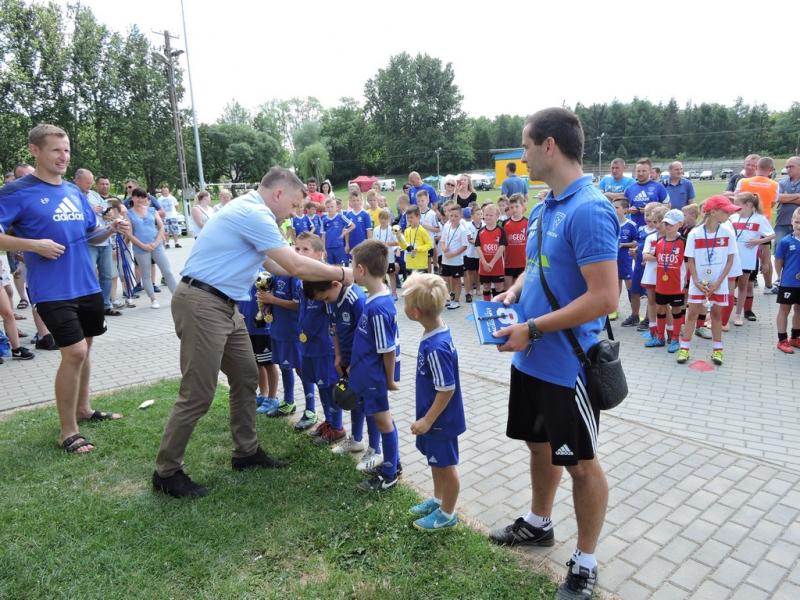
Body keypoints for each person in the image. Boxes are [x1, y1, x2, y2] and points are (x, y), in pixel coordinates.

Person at [152, 166, 355, 498]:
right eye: (293, 205)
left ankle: (246, 452)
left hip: (224, 305)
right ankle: (166, 471)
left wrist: (321, 273)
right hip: (203, 303)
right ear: (278, 193)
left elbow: (278, 265)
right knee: (197, 393)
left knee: (246, 376)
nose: (293, 214)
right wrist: (345, 273)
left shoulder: (252, 212)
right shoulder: (254, 213)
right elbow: (294, 265)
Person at [491, 108, 619, 600]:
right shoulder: (544, 206)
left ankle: (585, 561)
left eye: (525, 146)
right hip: (531, 359)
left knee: (580, 463)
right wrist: (514, 293)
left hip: (568, 366)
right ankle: (539, 522)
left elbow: (605, 297)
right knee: (538, 445)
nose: (522, 156)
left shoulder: (590, 209)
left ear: (549, 146)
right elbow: (537, 266)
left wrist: (533, 328)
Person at [0, 124, 129, 453]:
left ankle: (83, 409)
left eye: (67, 150)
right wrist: (34, 244)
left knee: (87, 347)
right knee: (75, 352)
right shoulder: (16, 192)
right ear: (35, 151)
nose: (63, 156)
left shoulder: (73, 191)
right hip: (52, 290)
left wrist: (111, 229)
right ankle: (67, 431)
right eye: (56, 150)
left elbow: (90, 234)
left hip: (86, 285)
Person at [403, 273, 465, 531]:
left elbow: (447, 389)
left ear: (415, 312)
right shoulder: (433, 332)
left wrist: (428, 420)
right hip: (433, 418)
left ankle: (447, 513)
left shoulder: (437, 347)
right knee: (435, 461)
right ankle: (438, 500)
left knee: (446, 466)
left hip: (440, 421)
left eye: (405, 303)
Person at [302, 274, 382, 466]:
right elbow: (334, 329)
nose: (326, 302)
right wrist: (338, 355)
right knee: (354, 401)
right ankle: (356, 440)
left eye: (326, 298)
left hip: (362, 363)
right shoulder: (332, 299)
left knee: (369, 407)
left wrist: (357, 362)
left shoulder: (356, 299)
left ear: (335, 284)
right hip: (347, 361)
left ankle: (375, 450)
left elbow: (367, 336)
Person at [349, 239, 401, 491]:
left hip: (375, 378)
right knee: (384, 419)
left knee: (383, 422)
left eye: (352, 265)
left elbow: (387, 350)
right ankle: (394, 462)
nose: (350, 269)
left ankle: (389, 472)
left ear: (361, 270)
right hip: (367, 374)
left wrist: (389, 380)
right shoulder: (373, 299)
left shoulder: (379, 307)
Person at [677, 196, 739, 366]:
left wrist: (718, 283)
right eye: (726, 211)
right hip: (698, 283)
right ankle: (684, 348)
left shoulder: (728, 232)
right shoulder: (695, 233)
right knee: (692, 314)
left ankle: (718, 350)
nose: (729, 213)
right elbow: (690, 260)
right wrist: (696, 281)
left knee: (716, 315)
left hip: (719, 283)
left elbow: (730, 261)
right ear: (713, 212)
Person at [295, 233, 342, 440]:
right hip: (308, 343)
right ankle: (329, 421)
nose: (300, 253)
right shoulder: (302, 279)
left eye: (305, 249)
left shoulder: (326, 279)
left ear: (320, 253)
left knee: (330, 386)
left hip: (324, 346)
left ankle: (337, 427)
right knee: (319, 385)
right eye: (297, 249)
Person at [74, 168, 120, 317]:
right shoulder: (72, 195)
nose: (89, 185)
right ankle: (87, 306)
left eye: (91, 182)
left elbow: (105, 210)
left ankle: (106, 304)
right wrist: (90, 210)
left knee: (107, 275)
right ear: (77, 180)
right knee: (88, 274)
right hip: (88, 241)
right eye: (87, 182)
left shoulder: (94, 195)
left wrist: (108, 213)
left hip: (104, 239)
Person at [127, 188, 177, 309]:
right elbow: (129, 234)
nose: (140, 199)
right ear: (132, 198)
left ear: (146, 198)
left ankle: (177, 297)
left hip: (156, 245)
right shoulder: (128, 213)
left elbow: (161, 227)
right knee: (146, 274)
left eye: (143, 197)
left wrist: (156, 242)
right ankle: (153, 299)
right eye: (137, 196)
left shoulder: (152, 210)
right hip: (140, 248)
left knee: (167, 271)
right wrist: (143, 245)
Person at [737, 157, 780, 293]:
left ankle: (741, 284)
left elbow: (737, 201)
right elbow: (773, 203)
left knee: (742, 254)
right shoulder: (774, 184)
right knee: (765, 259)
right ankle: (768, 286)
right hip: (763, 224)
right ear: (771, 170)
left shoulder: (743, 182)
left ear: (756, 167)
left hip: (744, 223)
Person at [237, 275, 280, 413]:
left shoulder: (264, 274)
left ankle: (272, 398)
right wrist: (236, 311)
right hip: (246, 326)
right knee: (257, 363)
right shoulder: (241, 273)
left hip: (263, 328)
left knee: (268, 363)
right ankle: (263, 394)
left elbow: (272, 297)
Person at [730, 192, 774, 325]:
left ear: (748, 205)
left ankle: (738, 315)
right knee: (729, 286)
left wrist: (757, 241)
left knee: (743, 285)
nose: (735, 207)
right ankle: (724, 314)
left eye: (738, 205)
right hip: (731, 257)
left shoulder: (759, 219)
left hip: (747, 258)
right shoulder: (732, 217)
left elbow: (772, 235)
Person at [648, 209, 687, 353]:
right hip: (661, 284)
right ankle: (660, 337)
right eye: (666, 223)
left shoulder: (683, 242)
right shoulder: (659, 241)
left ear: (680, 224)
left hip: (676, 285)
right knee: (660, 308)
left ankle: (675, 339)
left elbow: (689, 263)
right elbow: (655, 258)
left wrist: (688, 281)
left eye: (671, 224)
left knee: (676, 310)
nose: (668, 226)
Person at [774, 207, 800, 353]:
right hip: (789, 283)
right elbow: (778, 261)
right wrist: (780, 277)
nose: (799, 226)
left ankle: (795, 337)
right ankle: (782, 340)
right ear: (791, 221)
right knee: (785, 309)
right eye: (797, 222)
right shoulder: (785, 241)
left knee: (799, 309)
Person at [612, 198, 638, 322]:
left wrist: (623, 245)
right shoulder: (610, 223)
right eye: (612, 207)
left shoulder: (631, 225)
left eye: (617, 207)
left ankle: (634, 311)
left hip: (625, 259)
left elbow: (636, 242)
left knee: (629, 284)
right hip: (612, 259)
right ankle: (614, 309)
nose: (614, 210)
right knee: (615, 283)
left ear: (626, 210)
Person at [624, 158, 670, 228]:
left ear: (650, 172)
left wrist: (651, 210)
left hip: (655, 228)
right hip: (635, 228)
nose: (641, 173)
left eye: (644, 171)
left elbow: (668, 206)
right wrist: (629, 210)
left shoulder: (658, 187)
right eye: (638, 171)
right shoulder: (629, 189)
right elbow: (624, 208)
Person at [439, 203, 469, 309]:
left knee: (456, 280)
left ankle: (456, 300)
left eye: (456, 216)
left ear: (460, 216)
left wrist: (453, 254)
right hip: (445, 259)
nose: (453, 218)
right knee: (445, 279)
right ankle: (447, 298)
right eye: (451, 216)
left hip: (456, 261)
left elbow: (464, 246)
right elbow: (442, 240)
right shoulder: (446, 226)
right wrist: (444, 248)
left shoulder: (462, 230)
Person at [476, 203, 506, 299]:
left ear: (497, 217)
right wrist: (484, 262)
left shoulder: (501, 231)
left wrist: (492, 263)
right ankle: (487, 305)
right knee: (486, 286)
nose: (488, 217)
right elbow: (478, 247)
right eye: (486, 215)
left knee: (499, 287)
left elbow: (502, 247)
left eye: (491, 215)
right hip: (484, 265)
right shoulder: (481, 231)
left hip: (497, 265)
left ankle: (497, 306)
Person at [372, 208, 399, 299]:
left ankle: (394, 293)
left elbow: (397, 242)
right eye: (381, 218)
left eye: (385, 219)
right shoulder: (376, 229)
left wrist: (387, 244)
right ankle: (383, 292)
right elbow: (374, 242)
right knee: (381, 275)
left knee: (391, 274)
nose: (383, 220)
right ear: (379, 219)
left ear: (389, 219)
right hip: (379, 256)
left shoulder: (392, 229)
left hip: (389, 256)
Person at [503, 194, 528, 289]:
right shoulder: (505, 224)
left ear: (522, 206)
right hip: (509, 262)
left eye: (517, 206)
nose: (514, 209)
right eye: (511, 207)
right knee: (508, 288)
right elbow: (502, 245)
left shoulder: (528, 223)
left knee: (520, 289)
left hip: (523, 262)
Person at [321, 197, 354, 266]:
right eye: (328, 207)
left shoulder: (341, 217)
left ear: (336, 207)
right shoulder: (324, 220)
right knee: (330, 267)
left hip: (339, 246)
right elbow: (323, 235)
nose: (330, 209)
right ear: (325, 208)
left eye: (332, 207)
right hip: (328, 247)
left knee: (339, 266)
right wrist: (324, 249)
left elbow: (353, 226)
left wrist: (343, 234)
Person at [776, 156, 800, 247]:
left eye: (791, 166)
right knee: (780, 248)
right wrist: (797, 195)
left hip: (798, 223)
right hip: (782, 222)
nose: (788, 169)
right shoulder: (782, 183)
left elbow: (783, 198)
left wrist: (787, 197)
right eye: (787, 167)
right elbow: (778, 198)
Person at [402, 206, 433, 273]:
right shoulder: (406, 231)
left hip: (420, 265)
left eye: (411, 217)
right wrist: (399, 238)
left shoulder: (422, 231)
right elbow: (404, 246)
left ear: (418, 217)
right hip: (409, 264)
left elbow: (429, 245)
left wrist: (418, 249)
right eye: (408, 217)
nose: (409, 219)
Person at [417, 190, 440, 272]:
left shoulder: (432, 214)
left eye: (422, 200)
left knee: (428, 261)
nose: (420, 203)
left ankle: (429, 276)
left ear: (427, 200)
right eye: (418, 201)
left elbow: (438, 229)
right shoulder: (416, 213)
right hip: (418, 242)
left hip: (428, 242)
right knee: (419, 262)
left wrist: (428, 227)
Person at [463, 204, 482, 303]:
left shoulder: (484, 225)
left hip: (480, 253)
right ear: (472, 216)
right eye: (477, 214)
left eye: (481, 214)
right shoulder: (468, 226)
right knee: (470, 272)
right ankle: (470, 289)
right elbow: (469, 239)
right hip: (470, 253)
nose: (480, 216)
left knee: (479, 272)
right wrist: (479, 243)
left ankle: (478, 288)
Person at [345, 190, 373, 255]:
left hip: (363, 244)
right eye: (353, 200)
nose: (356, 202)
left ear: (361, 201)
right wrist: (347, 244)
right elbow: (347, 231)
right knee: (353, 260)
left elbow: (369, 231)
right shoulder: (348, 215)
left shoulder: (365, 214)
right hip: (352, 244)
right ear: (350, 201)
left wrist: (369, 244)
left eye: (358, 200)